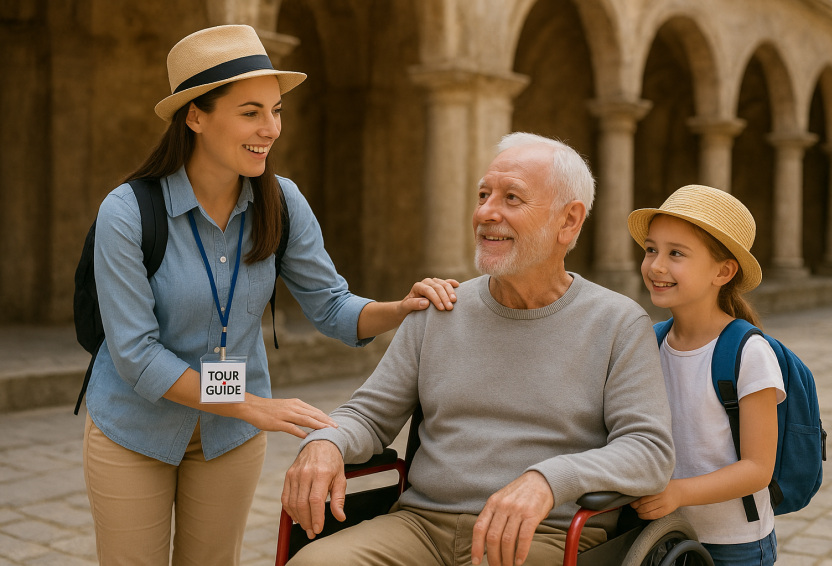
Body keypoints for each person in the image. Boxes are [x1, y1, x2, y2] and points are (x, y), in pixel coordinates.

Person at [82, 24, 458, 566]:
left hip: (227, 437)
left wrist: (402, 308)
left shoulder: (281, 202)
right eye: (251, 112)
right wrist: (254, 405)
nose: (272, 129)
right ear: (196, 115)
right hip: (134, 428)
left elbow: (331, 305)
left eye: (276, 110)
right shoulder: (126, 212)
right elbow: (137, 357)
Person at [282, 132, 676, 566]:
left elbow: (648, 451)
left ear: (569, 221)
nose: (487, 212)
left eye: (512, 198)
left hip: (543, 535)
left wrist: (548, 480)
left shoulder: (618, 323)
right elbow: (367, 416)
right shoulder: (438, 309)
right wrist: (326, 443)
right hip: (420, 526)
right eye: (484, 195)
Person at [626, 185, 785, 566]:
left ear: (723, 271)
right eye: (651, 250)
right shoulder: (651, 342)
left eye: (676, 253)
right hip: (665, 533)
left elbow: (758, 469)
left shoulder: (749, 353)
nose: (656, 266)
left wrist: (678, 493)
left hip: (736, 544)